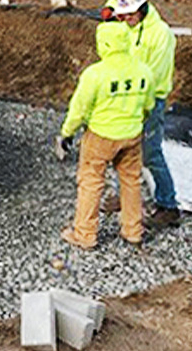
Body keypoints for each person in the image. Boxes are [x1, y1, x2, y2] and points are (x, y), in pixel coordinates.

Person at [56, 22, 156, 249]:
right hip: (132, 134)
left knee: (91, 182)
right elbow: (149, 105)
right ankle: (133, 231)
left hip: (100, 135)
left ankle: (85, 234)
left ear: (104, 44)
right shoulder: (143, 71)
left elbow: (79, 109)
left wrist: (66, 132)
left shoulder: (95, 74)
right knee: (131, 182)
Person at [101, 0, 180, 228]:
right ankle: (125, 195)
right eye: (121, 15)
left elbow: (153, 78)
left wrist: (136, 106)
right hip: (124, 95)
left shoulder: (160, 35)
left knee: (150, 153)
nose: (124, 20)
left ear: (142, 9)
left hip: (149, 100)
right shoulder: (126, 21)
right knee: (119, 148)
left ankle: (168, 206)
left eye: (128, 15)